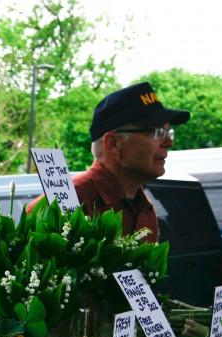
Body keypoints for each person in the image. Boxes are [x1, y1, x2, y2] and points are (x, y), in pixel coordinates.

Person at [27, 81, 189, 242]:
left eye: (169, 132)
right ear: (113, 144)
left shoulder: (145, 208)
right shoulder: (64, 204)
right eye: (157, 132)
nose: (169, 142)